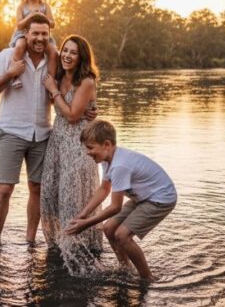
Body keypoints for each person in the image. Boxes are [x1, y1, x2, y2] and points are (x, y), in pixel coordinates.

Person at [65, 119, 177, 282]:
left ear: (107, 144)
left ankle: (147, 278)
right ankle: (125, 268)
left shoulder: (120, 166)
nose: (87, 152)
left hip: (160, 199)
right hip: (143, 197)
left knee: (122, 235)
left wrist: (87, 223)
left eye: (90, 147)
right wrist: (83, 214)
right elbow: (104, 190)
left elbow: (115, 207)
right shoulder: (107, 159)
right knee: (109, 229)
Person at [0, 13, 54, 247]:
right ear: (26, 34)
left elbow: (65, 92)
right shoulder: (7, 56)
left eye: (44, 34)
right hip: (12, 131)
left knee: (37, 188)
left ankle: (30, 240)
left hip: (42, 134)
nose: (40, 38)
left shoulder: (52, 62)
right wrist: (10, 74)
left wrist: (88, 110)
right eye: (35, 33)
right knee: (5, 188)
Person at [40, 35, 103, 276]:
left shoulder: (85, 81)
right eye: (65, 50)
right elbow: (47, 42)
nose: (66, 55)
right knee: (50, 194)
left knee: (71, 198)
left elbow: (73, 115)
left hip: (77, 147)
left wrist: (54, 91)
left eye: (73, 52)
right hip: (57, 144)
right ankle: (57, 248)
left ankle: (79, 250)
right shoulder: (58, 74)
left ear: (82, 57)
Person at [8, 0, 58, 90]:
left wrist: (42, 16)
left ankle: (51, 79)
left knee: (53, 52)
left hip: (42, 35)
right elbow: (19, 25)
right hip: (22, 34)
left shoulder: (45, 6)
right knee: (20, 46)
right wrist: (30, 16)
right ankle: (15, 76)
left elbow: (52, 24)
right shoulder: (22, 7)